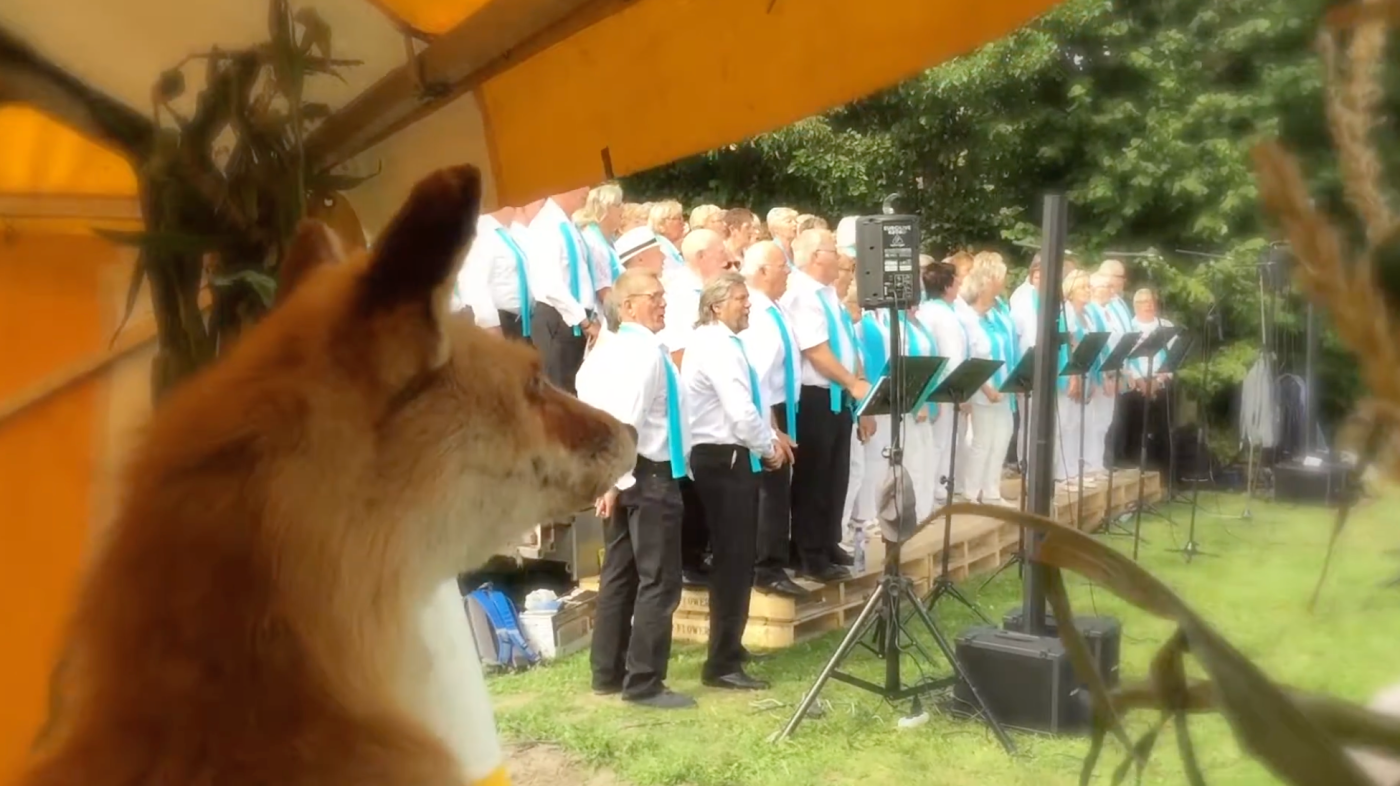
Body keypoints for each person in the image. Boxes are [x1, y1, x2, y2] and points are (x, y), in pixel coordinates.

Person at [578, 270, 693, 709]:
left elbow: (587, 403)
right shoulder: (643, 353)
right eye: (654, 296)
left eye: (664, 294)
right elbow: (627, 419)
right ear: (627, 307)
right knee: (658, 580)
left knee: (619, 575)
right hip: (647, 474)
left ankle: (607, 671)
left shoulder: (606, 350)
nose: (663, 302)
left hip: (623, 474)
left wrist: (606, 478)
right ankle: (643, 681)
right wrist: (615, 478)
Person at [683, 272, 792, 691]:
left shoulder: (724, 344)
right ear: (715, 306)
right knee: (733, 561)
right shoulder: (716, 347)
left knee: (738, 559)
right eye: (741, 299)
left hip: (727, 456)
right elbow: (739, 411)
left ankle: (731, 645)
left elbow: (753, 403)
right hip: (726, 459)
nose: (748, 305)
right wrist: (767, 447)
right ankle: (721, 663)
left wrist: (770, 434)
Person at [781, 229, 871, 583]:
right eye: (833, 250)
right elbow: (815, 349)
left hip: (840, 396)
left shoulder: (829, 295)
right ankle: (808, 552)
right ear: (816, 256)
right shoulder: (803, 294)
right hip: (816, 396)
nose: (841, 258)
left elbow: (846, 343)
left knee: (837, 474)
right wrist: (851, 382)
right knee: (814, 477)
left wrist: (856, 387)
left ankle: (827, 540)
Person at [739, 241, 806, 598]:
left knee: (779, 487)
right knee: (772, 487)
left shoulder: (773, 309)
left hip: (778, 408)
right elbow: (757, 380)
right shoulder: (759, 317)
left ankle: (774, 561)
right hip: (765, 411)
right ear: (762, 271)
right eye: (783, 266)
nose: (789, 272)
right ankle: (767, 568)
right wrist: (771, 429)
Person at [526, 187, 598, 394]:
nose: (588, 190)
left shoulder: (567, 224)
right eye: (582, 184)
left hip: (576, 317)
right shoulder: (545, 226)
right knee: (562, 390)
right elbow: (551, 284)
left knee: (578, 390)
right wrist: (583, 321)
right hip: (558, 318)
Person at [961, 259, 1016, 506]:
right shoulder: (970, 317)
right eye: (1000, 278)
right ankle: (971, 493)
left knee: (1003, 436)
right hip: (985, 389)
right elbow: (972, 356)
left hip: (1005, 386)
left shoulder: (998, 313)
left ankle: (991, 490)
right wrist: (986, 387)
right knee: (983, 441)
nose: (1003, 283)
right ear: (987, 283)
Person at [916, 260, 967, 507]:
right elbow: (951, 355)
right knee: (939, 442)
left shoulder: (931, 310)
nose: (960, 283)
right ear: (947, 286)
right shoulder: (942, 314)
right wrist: (958, 388)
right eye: (956, 279)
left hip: (937, 385)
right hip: (942, 387)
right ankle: (936, 489)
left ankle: (935, 488)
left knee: (939, 441)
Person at [451, 205, 528, 341]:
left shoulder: (504, 231)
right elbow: (475, 282)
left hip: (518, 320)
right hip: (501, 321)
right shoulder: (482, 233)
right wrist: (490, 325)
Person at [1055, 270, 1095, 489]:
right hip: (1069, 372)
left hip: (1084, 371)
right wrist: (1073, 376)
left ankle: (1073, 469)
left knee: (1077, 423)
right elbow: (1067, 347)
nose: (1087, 291)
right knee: (1066, 424)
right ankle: (1062, 474)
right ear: (1070, 291)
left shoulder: (1086, 314)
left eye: (1088, 286)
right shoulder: (1067, 312)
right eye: (1083, 287)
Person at [575, 183, 627, 297]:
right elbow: (604, 292)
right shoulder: (593, 242)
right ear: (605, 208)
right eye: (618, 205)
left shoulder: (607, 239)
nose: (623, 208)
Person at [649, 201, 687, 269]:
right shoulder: (661, 250)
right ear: (661, 225)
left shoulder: (671, 247)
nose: (683, 223)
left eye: (682, 218)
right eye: (677, 219)